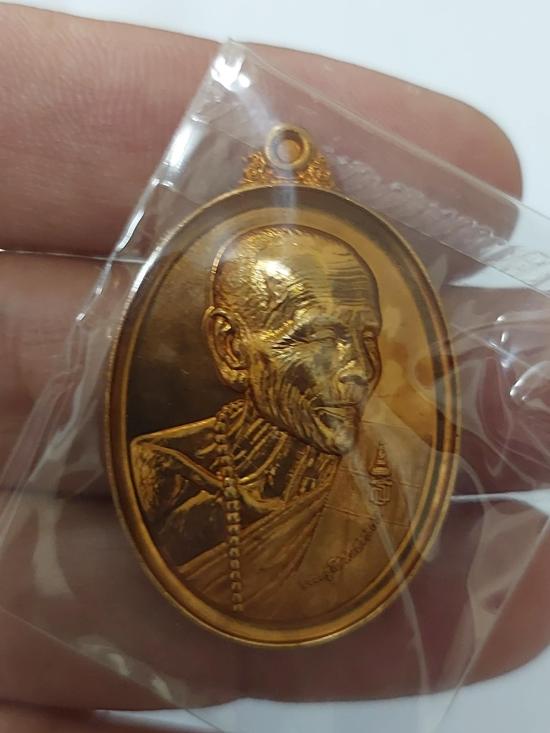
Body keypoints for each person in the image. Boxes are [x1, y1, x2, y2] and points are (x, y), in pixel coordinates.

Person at [3, 5, 549, 732]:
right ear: (232, 347)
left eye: (365, 338)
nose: (355, 372)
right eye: (315, 338)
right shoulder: (166, 469)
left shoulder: (395, 485)